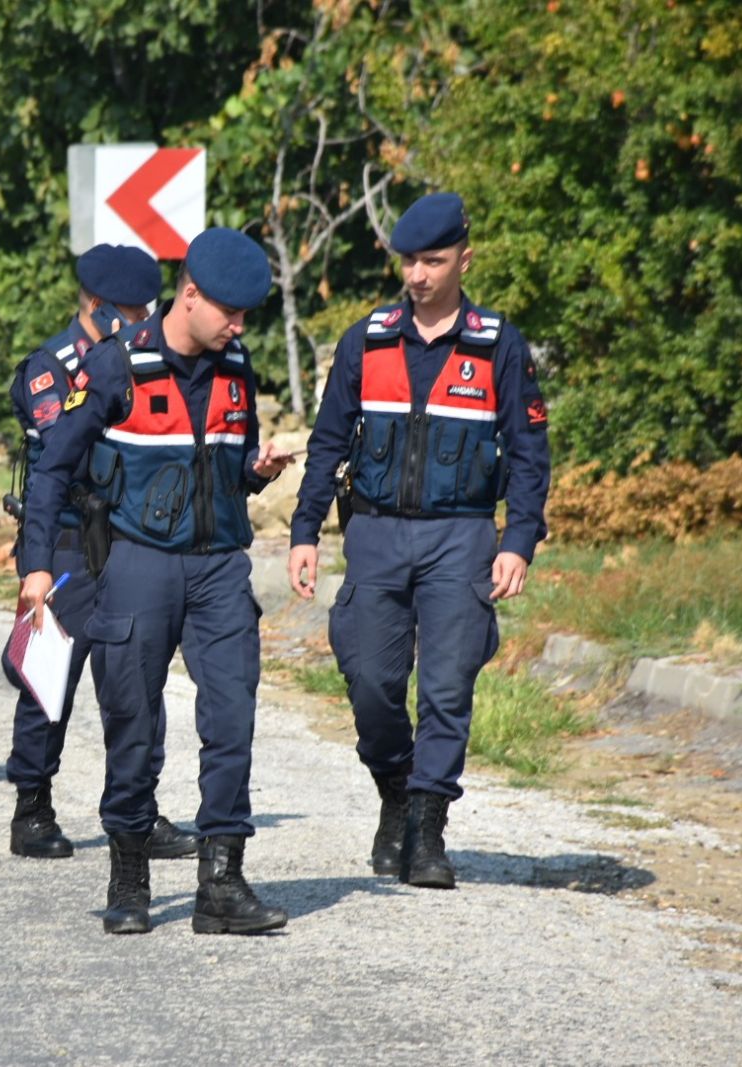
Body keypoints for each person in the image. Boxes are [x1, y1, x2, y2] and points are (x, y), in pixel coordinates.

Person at [18, 227, 297, 935]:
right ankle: (129, 877)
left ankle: (221, 884)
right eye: (229, 312)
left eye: (246, 315)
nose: (239, 326)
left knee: (231, 717)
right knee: (133, 723)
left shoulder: (237, 367)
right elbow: (52, 468)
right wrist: (38, 565)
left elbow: (228, 467)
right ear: (190, 294)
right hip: (137, 561)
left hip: (220, 566)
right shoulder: (116, 366)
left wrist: (257, 470)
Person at [286, 192, 551, 889]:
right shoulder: (367, 340)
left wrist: (518, 540)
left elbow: (529, 455)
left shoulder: (499, 345)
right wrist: (305, 530)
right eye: (409, 262)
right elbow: (327, 444)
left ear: (464, 260)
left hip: (461, 535)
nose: (418, 275)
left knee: (446, 685)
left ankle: (428, 829)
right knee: (371, 682)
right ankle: (396, 791)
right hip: (374, 532)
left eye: (433, 261)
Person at [3, 244, 196, 862]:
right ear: (95, 305)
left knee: (138, 682)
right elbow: (68, 449)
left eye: (147, 310)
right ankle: (32, 807)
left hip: (129, 542)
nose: (142, 321)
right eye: (131, 312)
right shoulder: (51, 368)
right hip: (64, 544)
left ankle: (139, 810)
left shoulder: (147, 361)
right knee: (50, 678)